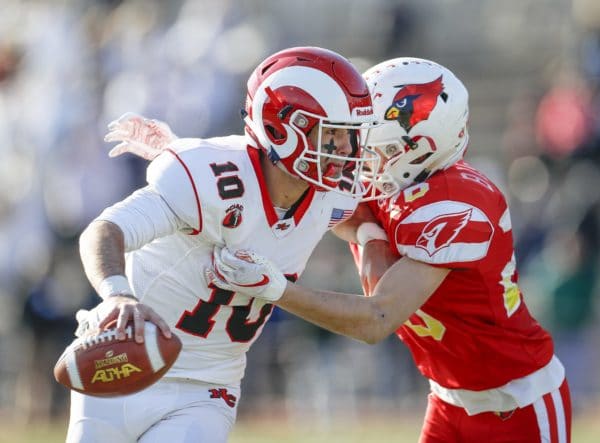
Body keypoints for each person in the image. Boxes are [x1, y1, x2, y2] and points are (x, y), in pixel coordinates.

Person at [206, 58, 572, 443]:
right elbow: (335, 208)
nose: (355, 153)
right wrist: (370, 233)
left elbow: (376, 319)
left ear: (418, 147)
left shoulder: (457, 206)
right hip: (448, 400)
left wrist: (276, 289)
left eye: (373, 142)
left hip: (516, 405)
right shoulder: (394, 180)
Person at [67, 46, 380, 443]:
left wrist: (371, 237)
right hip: (125, 358)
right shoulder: (204, 179)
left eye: (350, 134)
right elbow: (105, 230)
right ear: (282, 129)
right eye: (332, 134)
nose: (347, 150)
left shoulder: (336, 196)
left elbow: (356, 220)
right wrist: (116, 295)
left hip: (207, 387)